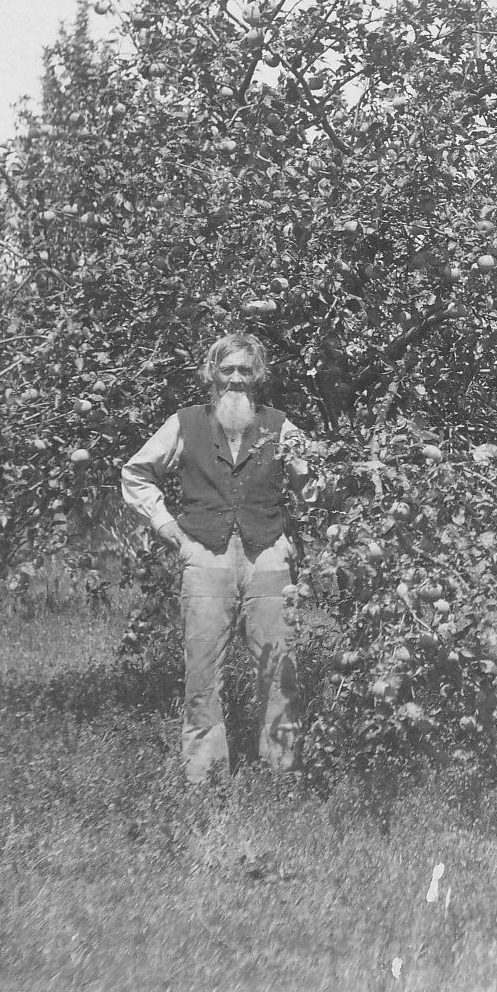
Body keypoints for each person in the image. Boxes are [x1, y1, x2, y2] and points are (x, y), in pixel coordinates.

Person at [122, 332, 313, 784]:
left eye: (246, 370)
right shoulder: (185, 423)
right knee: (202, 669)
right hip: (205, 555)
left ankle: (283, 771)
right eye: (227, 370)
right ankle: (205, 777)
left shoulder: (281, 426)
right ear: (211, 373)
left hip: (267, 554)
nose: (236, 379)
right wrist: (165, 526)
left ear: (259, 375)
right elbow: (136, 472)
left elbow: (315, 485)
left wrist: (296, 532)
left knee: (279, 664)